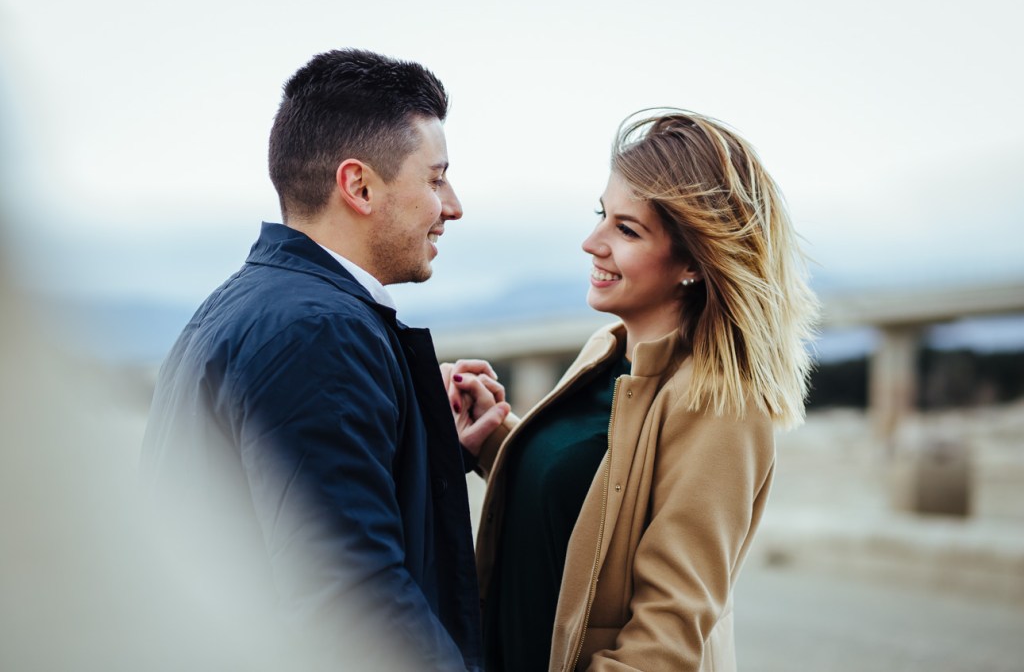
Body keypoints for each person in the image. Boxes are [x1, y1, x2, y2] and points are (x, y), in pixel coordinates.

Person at [140, 49, 508, 672]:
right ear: (359, 186)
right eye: (435, 178)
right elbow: (356, 606)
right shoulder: (318, 334)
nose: (452, 205)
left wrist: (428, 447)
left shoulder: (243, 304)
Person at [451, 109, 818, 671]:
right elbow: (593, 499)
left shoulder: (721, 401)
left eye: (626, 230)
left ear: (694, 260)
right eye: (602, 215)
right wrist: (494, 434)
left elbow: (666, 635)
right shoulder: (607, 350)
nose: (591, 242)